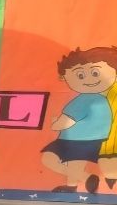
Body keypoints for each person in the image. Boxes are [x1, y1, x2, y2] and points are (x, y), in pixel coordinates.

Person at [41, 47, 117, 193]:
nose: (89, 80)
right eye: (80, 75)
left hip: (74, 139)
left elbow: (66, 121)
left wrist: (55, 124)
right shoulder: (104, 100)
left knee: (49, 159)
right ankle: (73, 185)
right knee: (75, 163)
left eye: (95, 73)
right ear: (64, 77)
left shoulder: (83, 100)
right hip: (96, 140)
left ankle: (84, 178)